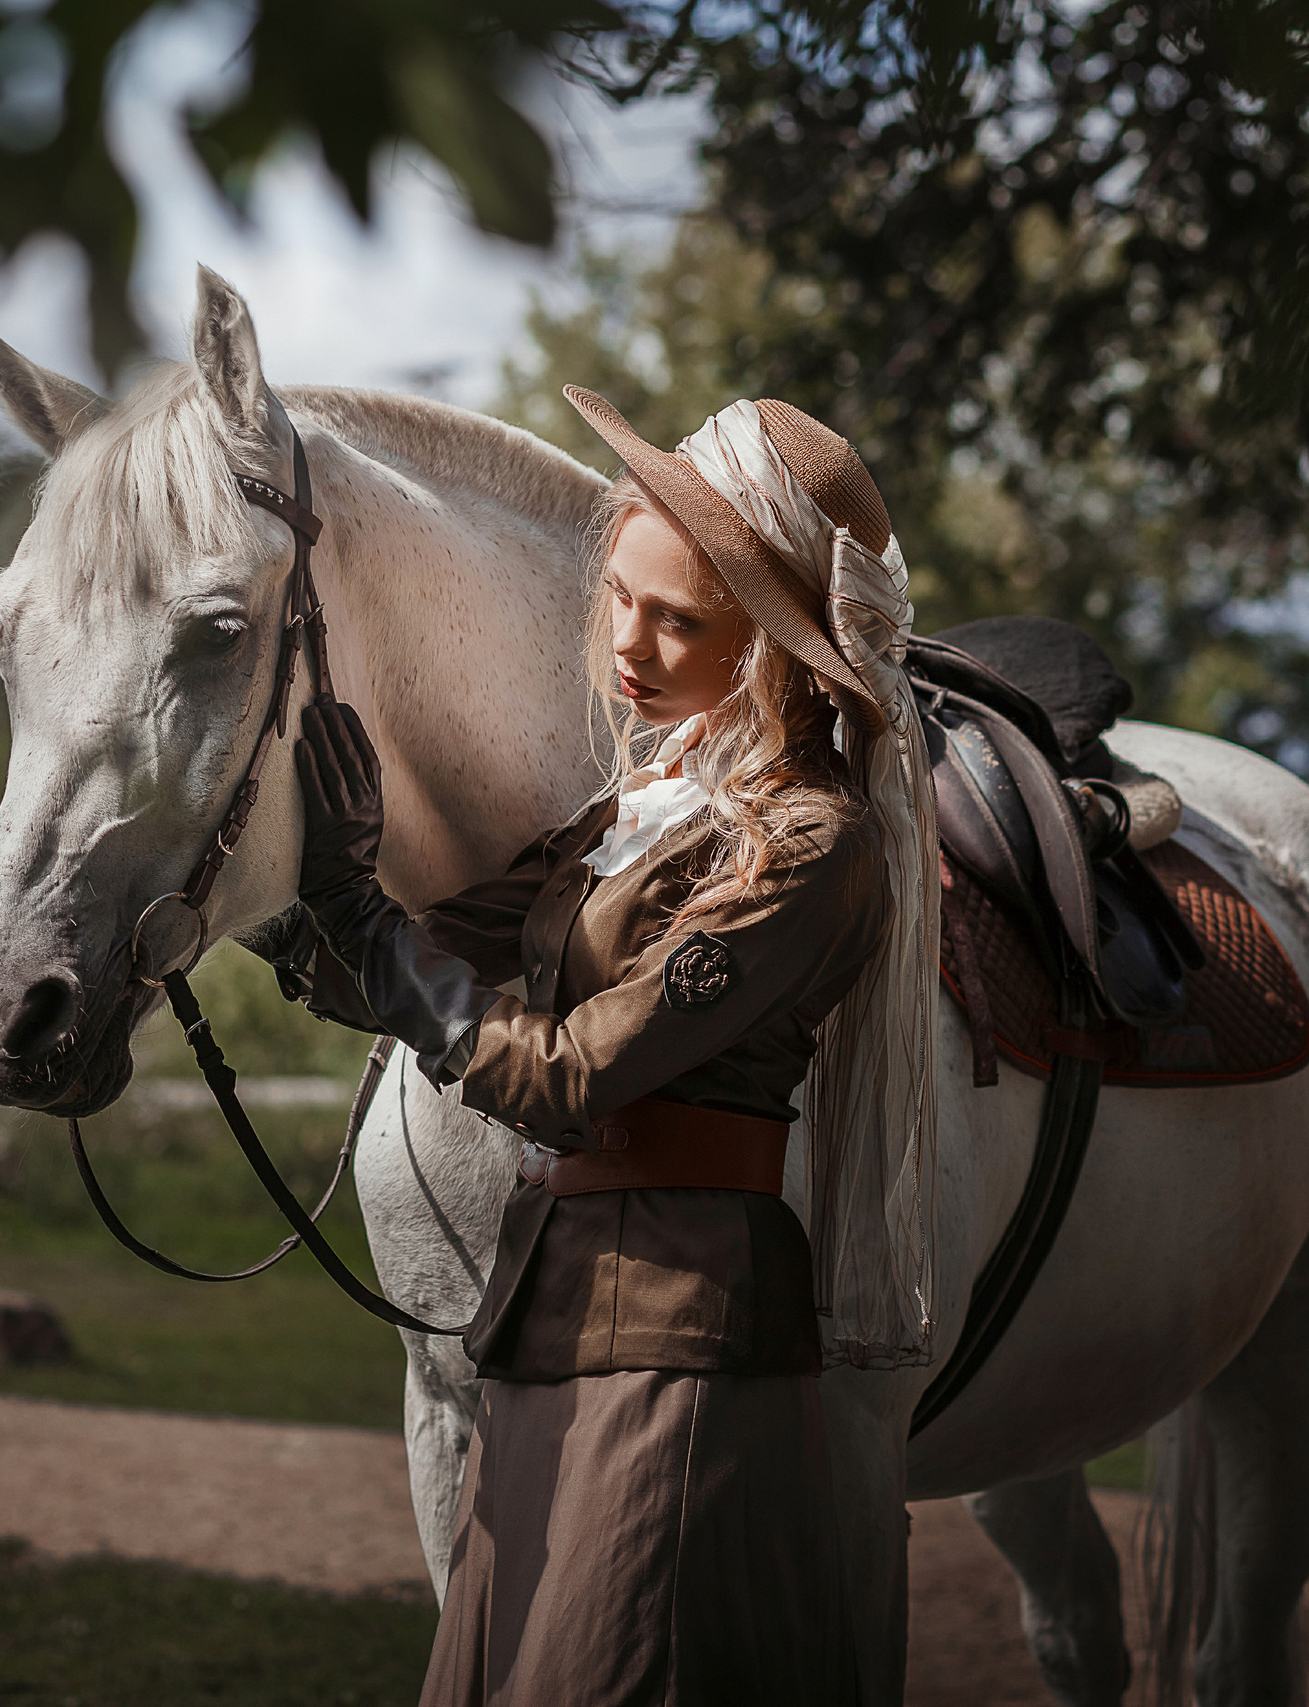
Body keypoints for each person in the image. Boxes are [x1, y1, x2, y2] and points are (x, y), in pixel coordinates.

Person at [290, 386, 942, 1707]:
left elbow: (570, 1078)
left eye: (680, 619)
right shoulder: (634, 806)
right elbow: (430, 948)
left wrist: (370, 931)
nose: (628, 644)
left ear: (774, 647)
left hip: (681, 1343)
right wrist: (274, 878)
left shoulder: (811, 845)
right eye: (621, 598)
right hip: (556, 1315)